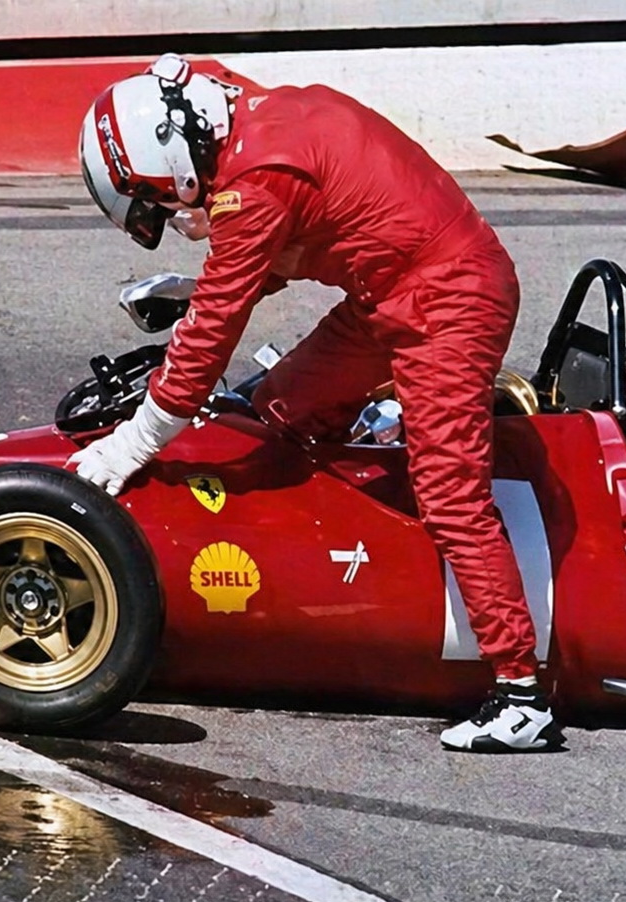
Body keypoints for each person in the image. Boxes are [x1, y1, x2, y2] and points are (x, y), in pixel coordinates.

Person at [71, 54, 562, 753]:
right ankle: (349, 549)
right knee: (279, 409)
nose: (176, 213)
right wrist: (194, 288)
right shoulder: (264, 117)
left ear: (169, 154)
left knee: (450, 496)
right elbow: (290, 242)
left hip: (444, 304)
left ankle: (521, 694)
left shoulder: (256, 182)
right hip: (396, 291)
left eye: (164, 203)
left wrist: (131, 443)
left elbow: (208, 343)